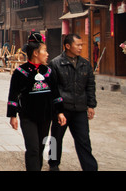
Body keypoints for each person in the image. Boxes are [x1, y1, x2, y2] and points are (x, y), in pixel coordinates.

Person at [7, 31, 66, 171]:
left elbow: (55, 93)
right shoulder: (20, 72)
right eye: (44, 51)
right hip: (28, 116)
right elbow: (13, 95)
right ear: (35, 53)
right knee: (33, 148)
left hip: (46, 116)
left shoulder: (49, 72)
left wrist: (60, 112)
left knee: (40, 147)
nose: (47, 54)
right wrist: (12, 115)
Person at [48, 33, 98, 171]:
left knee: (84, 140)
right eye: (78, 45)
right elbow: (52, 89)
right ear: (68, 46)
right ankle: (53, 164)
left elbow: (90, 85)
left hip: (80, 109)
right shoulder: (55, 63)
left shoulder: (85, 63)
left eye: (82, 45)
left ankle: (90, 168)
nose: (81, 47)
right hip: (62, 109)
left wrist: (91, 105)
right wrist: (57, 110)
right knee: (56, 138)